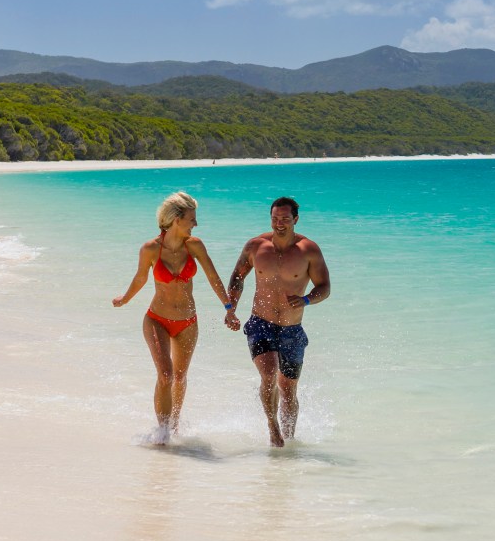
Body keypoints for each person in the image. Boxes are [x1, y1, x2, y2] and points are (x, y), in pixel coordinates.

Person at [112, 191, 238, 445]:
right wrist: (125, 299)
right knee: (166, 375)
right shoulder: (151, 249)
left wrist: (228, 307)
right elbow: (140, 278)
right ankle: (162, 433)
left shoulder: (195, 245)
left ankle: (174, 424)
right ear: (176, 219)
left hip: (187, 322)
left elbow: (213, 277)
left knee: (180, 377)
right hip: (157, 319)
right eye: (192, 219)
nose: (196, 224)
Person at [225, 197, 331, 447]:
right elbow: (238, 276)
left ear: (296, 219)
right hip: (260, 323)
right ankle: (273, 428)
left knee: (288, 389)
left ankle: (289, 440)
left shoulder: (308, 250)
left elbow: (324, 287)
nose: (279, 223)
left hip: (292, 329)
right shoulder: (256, 246)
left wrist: (306, 300)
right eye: (275, 219)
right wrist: (231, 309)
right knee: (269, 374)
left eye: (285, 219)